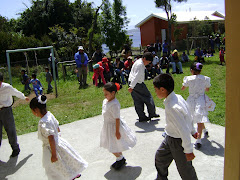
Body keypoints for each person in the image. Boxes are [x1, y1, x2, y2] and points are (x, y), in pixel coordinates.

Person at [30, 95, 88, 179]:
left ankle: (68, 176)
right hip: (58, 142)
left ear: (35, 110)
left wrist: (54, 154)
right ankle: (73, 173)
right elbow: (57, 127)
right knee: (66, 161)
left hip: (52, 147)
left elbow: (51, 138)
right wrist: (58, 135)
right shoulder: (49, 115)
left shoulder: (43, 123)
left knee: (56, 167)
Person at [153, 73, 198, 180]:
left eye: (156, 89)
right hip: (169, 137)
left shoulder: (172, 107)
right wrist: (193, 130)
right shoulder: (177, 97)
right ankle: (161, 178)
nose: (155, 92)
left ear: (163, 90)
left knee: (185, 169)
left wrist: (188, 150)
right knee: (160, 158)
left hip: (178, 141)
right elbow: (188, 115)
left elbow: (183, 129)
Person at [100, 82, 137, 170]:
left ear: (113, 93)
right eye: (104, 94)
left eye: (107, 94)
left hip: (113, 127)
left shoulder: (115, 105)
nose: (105, 96)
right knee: (113, 144)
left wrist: (117, 131)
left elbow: (117, 119)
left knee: (111, 146)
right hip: (107, 126)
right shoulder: (105, 101)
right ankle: (120, 158)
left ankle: (120, 159)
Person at [181, 62, 211, 149]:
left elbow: (183, 88)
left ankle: (198, 139)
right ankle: (201, 135)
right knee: (200, 118)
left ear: (191, 70)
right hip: (201, 99)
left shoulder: (189, 79)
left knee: (191, 116)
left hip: (191, 99)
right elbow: (207, 89)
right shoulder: (205, 79)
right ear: (200, 70)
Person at [0, 72, 29, 157]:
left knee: (10, 130)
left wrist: (24, 97)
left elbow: (16, 92)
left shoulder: (7, 87)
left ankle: (15, 148)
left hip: (6, 111)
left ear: (2, 81)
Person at [128, 52, 159, 122]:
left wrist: (131, 85)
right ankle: (152, 113)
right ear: (144, 59)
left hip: (132, 82)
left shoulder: (138, 61)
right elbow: (136, 76)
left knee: (138, 100)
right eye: (147, 62)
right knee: (148, 97)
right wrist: (131, 87)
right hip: (137, 84)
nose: (147, 64)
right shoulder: (140, 65)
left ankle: (142, 117)